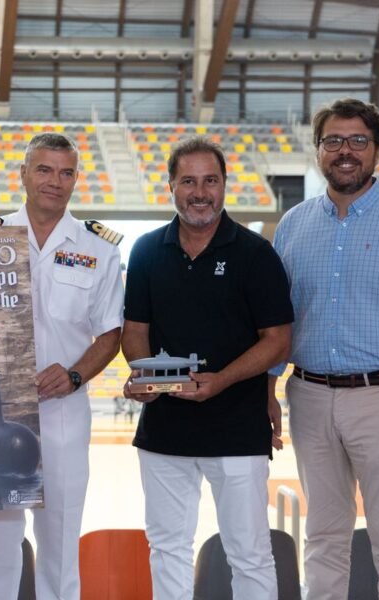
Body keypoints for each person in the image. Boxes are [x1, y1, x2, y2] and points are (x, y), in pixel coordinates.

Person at [270, 97, 379, 598]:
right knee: (322, 538)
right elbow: (279, 320)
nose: (345, 151)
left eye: (358, 141)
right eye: (334, 141)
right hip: (310, 396)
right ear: (319, 150)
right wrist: (267, 387)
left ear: (377, 151)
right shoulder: (293, 226)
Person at [121, 136, 293, 600]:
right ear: (171, 186)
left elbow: (278, 340)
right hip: (165, 429)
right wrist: (143, 374)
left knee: (250, 552)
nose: (201, 192)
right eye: (189, 181)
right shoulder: (145, 251)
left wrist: (222, 380)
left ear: (224, 185)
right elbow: (135, 328)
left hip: (238, 428)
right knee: (167, 547)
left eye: (210, 181)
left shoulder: (255, 254)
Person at [0, 132, 123, 600]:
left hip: (62, 411)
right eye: (44, 169)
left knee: (58, 537)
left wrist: (76, 374)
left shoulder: (99, 248)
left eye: (66, 172)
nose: (55, 181)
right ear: (22, 173)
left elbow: (111, 334)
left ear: (76, 179)